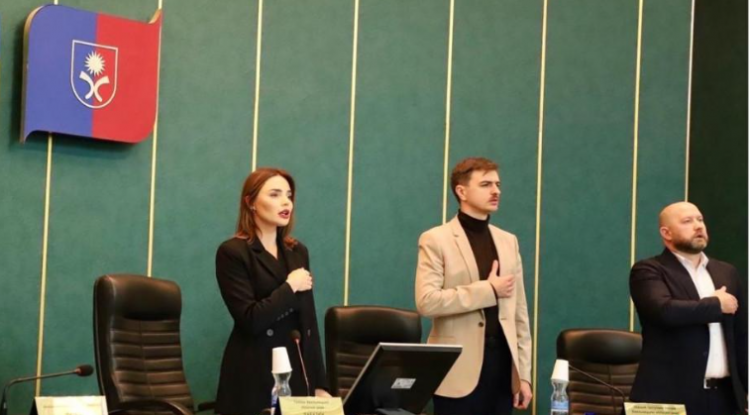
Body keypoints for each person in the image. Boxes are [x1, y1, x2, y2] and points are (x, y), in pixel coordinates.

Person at [415, 157, 532, 415]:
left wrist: (523, 375)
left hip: (503, 372)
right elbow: (427, 301)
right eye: (486, 184)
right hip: (457, 373)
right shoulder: (436, 239)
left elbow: (519, 314)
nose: (496, 191)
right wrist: (488, 291)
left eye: (498, 184)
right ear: (462, 191)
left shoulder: (508, 241)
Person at [215, 168, 330, 415]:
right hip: (253, 370)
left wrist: (319, 383)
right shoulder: (233, 252)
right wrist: (290, 287)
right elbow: (250, 319)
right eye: (275, 194)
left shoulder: (297, 251)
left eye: (289, 195)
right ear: (251, 202)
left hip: (295, 369)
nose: (286, 202)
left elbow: (308, 322)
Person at [630, 201, 748, 415]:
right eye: (687, 221)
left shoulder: (726, 272)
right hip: (667, 398)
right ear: (666, 233)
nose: (698, 226)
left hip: (724, 398)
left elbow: (741, 336)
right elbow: (664, 311)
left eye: (700, 220)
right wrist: (716, 304)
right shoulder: (649, 270)